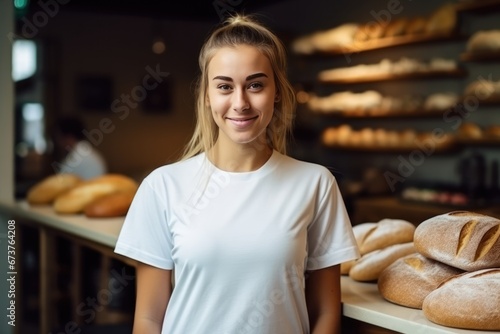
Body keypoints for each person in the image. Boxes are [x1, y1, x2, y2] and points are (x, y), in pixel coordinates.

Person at [114, 15, 360, 334]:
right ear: (206, 95)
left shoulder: (315, 183)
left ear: (277, 92)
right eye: (225, 87)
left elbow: (325, 312)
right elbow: (148, 318)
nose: (240, 103)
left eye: (255, 84)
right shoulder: (162, 186)